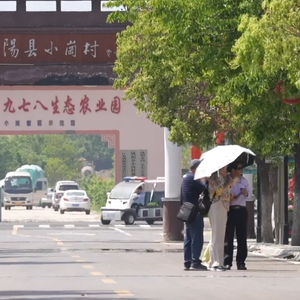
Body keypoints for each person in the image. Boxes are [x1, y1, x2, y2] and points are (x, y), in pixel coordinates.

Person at [208, 166, 239, 271]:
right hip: (217, 205)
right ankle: (216, 262)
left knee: (220, 235)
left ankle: (215, 261)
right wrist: (230, 181)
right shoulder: (215, 177)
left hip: (223, 206)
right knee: (217, 235)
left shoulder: (224, 177)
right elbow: (219, 191)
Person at [224, 163, 251, 270]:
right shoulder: (227, 180)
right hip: (230, 210)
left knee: (241, 237)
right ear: (233, 170)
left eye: (241, 168)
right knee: (228, 236)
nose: (241, 171)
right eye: (239, 169)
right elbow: (224, 192)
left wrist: (245, 193)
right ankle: (227, 261)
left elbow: (249, 193)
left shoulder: (244, 180)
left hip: (241, 210)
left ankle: (241, 261)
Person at [182, 159, 207, 271]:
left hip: (186, 211)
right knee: (197, 237)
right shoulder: (194, 178)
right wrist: (205, 180)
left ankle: (187, 261)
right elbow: (205, 189)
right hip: (195, 211)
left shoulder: (185, 178)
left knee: (188, 237)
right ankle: (195, 262)